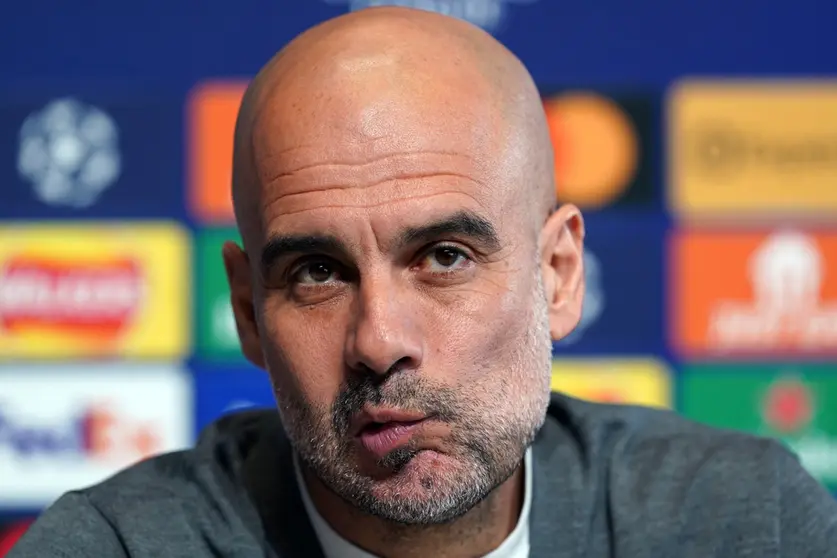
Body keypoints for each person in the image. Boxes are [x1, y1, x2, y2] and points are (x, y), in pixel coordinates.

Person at [9, 6, 837, 558]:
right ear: (247, 312)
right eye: (317, 272)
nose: (377, 341)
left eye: (443, 257)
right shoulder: (118, 546)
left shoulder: (738, 521)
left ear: (557, 274)